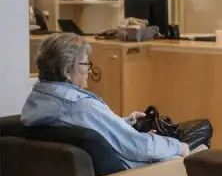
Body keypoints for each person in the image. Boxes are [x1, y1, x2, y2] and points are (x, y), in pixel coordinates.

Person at [22, 33, 192, 168]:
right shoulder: (81, 106)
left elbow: (87, 127)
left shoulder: (37, 102)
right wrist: (179, 146)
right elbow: (137, 147)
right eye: (85, 64)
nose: (89, 71)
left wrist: (127, 121)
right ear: (67, 70)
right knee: (199, 132)